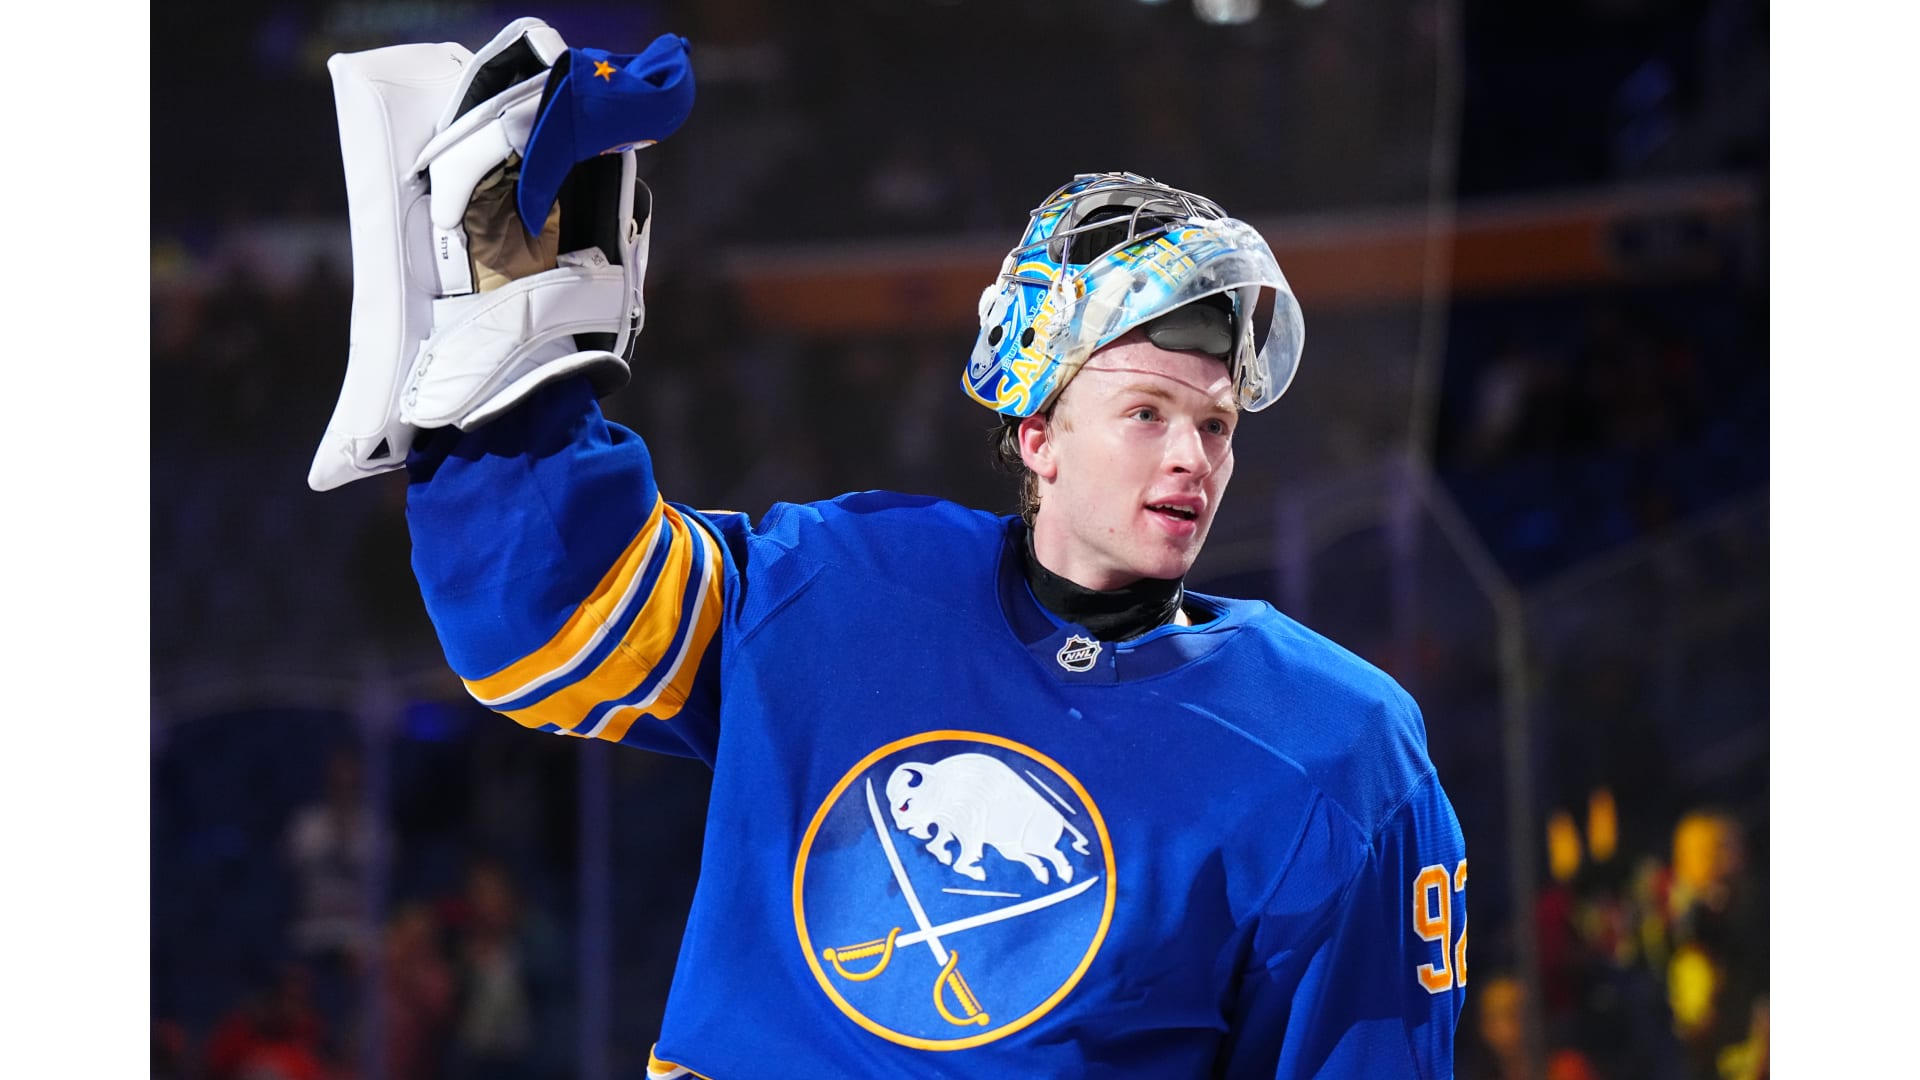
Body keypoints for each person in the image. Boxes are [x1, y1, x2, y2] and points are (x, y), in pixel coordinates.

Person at [316, 21, 1468, 1077]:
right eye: (1146, 411)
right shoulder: (846, 585)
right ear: (1038, 433)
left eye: (1216, 425)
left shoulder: (1335, 746)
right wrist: (520, 371)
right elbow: (546, 624)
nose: (1191, 458)